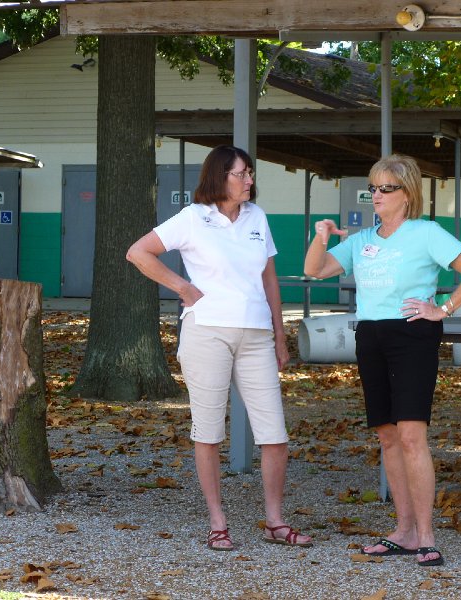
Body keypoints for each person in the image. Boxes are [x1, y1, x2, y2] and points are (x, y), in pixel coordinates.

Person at [304, 154, 461, 567]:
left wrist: (443, 309)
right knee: (387, 436)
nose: (376, 195)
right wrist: (321, 236)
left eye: (386, 188)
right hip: (371, 335)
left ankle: (426, 536)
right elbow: (315, 269)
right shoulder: (362, 240)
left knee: (410, 435)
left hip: (412, 334)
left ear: (407, 194)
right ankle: (403, 531)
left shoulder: (426, 232)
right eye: (372, 187)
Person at [126, 145, 312, 551]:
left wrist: (280, 335)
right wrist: (182, 287)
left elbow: (269, 280)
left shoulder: (257, 217)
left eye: (250, 173)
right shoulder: (193, 217)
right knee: (209, 431)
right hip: (207, 332)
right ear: (219, 176)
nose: (249, 180)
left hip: (257, 335)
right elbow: (137, 252)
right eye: (241, 173)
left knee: (274, 433)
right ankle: (217, 522)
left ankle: (275, 521)